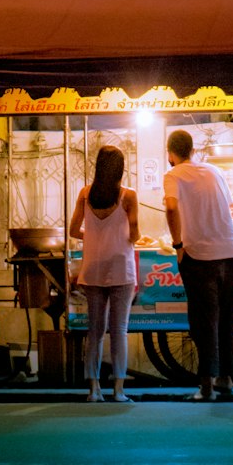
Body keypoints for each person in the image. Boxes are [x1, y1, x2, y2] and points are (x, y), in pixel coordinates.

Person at [163, 127, 233, 401]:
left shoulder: (172, 175)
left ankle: (206, 386)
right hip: (232, 252)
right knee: (227, 318)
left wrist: (177, 245)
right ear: (193, 150)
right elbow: (227, 206)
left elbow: (171, 208)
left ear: (170, 153)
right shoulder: (214, 171)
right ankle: (226, 378)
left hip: (200, 256)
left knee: (203, 321)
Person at [68, 144, 140, 402]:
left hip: (93, 269)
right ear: (120, 169)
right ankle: (119, 390)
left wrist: (95, 237)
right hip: (121, 268)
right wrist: (117, 235)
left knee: (95, 331)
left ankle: (93, 390)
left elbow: (73, 230)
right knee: (119, 330)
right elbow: (135, 234)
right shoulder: (128, 196)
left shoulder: (85, 194)